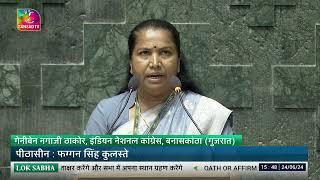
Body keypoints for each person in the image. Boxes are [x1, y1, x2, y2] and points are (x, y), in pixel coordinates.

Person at [85, 19, 233, 135]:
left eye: (165, 52)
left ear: (178, 64)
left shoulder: (207, 115)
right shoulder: (107, 112)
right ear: (131, 64)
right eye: (144, 53)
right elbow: (84, 169)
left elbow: (230, 172)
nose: (155, 63)